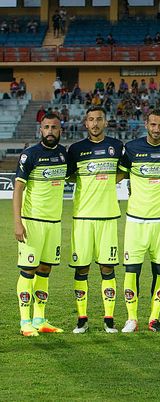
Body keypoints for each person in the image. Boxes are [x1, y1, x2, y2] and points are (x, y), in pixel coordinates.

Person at [119, 109, 160, 333]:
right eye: (153, 125)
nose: (157, 129)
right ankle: (131, 319)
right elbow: (119, 175)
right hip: (135, 222)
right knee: (131, 271)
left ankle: (154, 319)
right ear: (146, 124)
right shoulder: (132, 148)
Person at [66, 106, 124, 334]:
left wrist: (110, 181)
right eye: (91, 119)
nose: (95, 123)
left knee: (107, 267)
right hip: (82, 217)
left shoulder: (117, 146)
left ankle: (109, 319)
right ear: (85, 123)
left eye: (99, 119)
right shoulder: (76, 150)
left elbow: (126, 170)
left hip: (108, 216)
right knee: (81, 268)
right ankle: (82, 318)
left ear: (105, 122)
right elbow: (69, 175)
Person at [14, 113, 68, 337]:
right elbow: (18, 189)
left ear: (60, 131)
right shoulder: (30, 155)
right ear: (40, 130)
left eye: (54, 127)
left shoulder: (64, 154)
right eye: (46, 127)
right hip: (32, 222)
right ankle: (25, 322)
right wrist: (17, 222)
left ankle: (39, 319)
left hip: (54, 223)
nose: (50, 131)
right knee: (28, 270)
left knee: (45, 270)